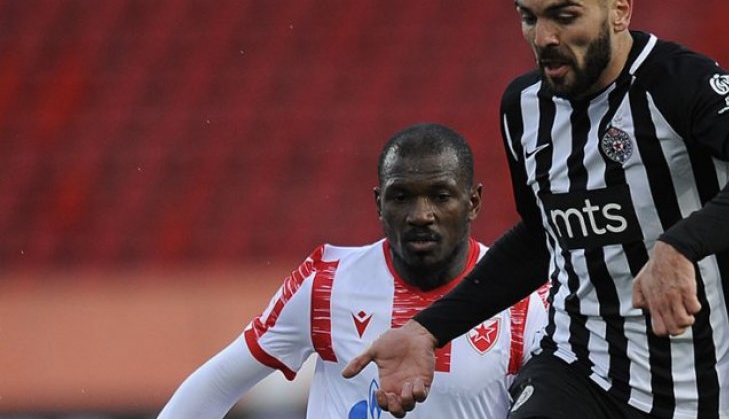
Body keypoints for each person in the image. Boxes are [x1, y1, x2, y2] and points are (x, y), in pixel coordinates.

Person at [342, 0, 729, 419]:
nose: (544, 37)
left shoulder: (677, 84)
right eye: (529, 17)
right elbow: (541, 238)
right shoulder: (523, 108)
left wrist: (681, 244)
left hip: (702, 386)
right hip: (577, 365)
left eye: (564, 15)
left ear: (619, 11)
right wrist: (428, 330)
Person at [157, 123, 548, 419]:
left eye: (440, 196)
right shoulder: (327, 282)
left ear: (473, 201)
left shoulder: (526, 301)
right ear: (379, 204)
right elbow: (217, 383)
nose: (420, 215)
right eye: (401, 197)